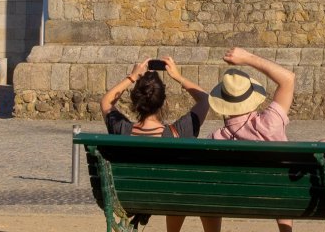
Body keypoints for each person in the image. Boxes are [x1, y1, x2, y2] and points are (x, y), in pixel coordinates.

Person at [101, 57, 210, 232]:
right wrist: (178, 76)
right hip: (170, 199)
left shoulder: (122, 130)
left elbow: (106, 102)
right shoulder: (179, 132)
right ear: (163, 102)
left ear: (135, 101)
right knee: (176, 187)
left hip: (129, 198)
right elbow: (205, 100)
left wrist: (132, 77)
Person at [202, 47, 297, 232]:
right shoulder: (271, 124)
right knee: (279, 184)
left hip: (232, 200)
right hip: (280, 196)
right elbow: (288, 79)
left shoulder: (215, 140)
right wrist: (248, 58)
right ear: (252, 96)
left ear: (222, 103)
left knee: (209, 192)